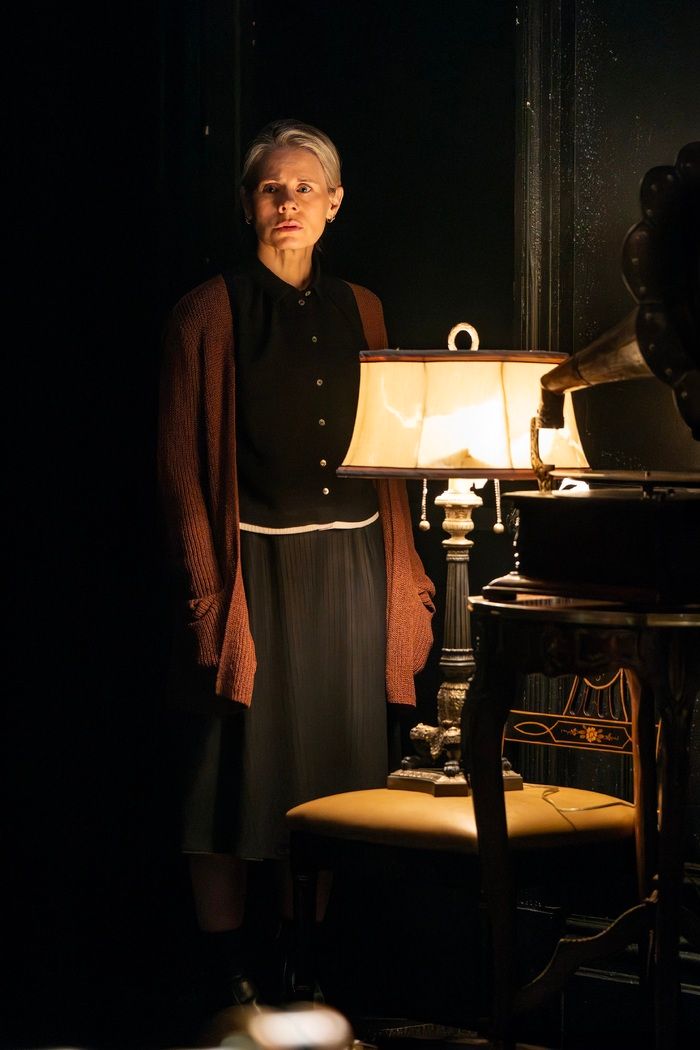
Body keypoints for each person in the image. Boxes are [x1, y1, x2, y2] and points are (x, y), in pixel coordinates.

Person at [158, 118, 435, 1012]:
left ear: (334, 204)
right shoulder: (208, 312)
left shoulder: (365, 308)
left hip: (351, 571)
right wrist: (208, 594)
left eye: (305, 187)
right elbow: (180, 469)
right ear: (249, 205)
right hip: (250, 580)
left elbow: (391, 451)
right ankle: (225, 975)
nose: (289, 202)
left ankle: (298, 963)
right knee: (227, 782)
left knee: (327, 781)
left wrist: (406, 579)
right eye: (272, 188)